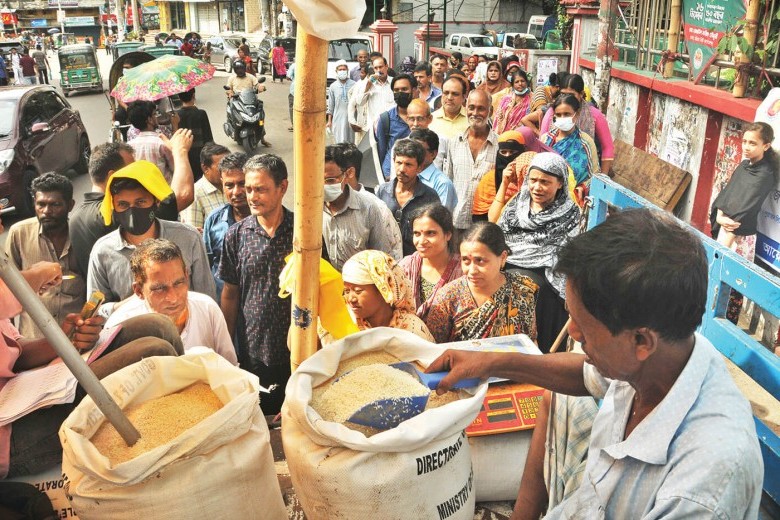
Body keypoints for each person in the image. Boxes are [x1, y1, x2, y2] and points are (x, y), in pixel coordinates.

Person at [430, 208, 763, 519]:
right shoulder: (665, 354)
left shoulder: (701, 487)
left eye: (582, 325)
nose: (573, 332)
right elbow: (584, 373)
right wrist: (490, 362)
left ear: (641, 341)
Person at [2, 267, 184, 479]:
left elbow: (15, 353)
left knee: (158, 326)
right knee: (153, 352)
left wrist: (63, 339)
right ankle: (173, 465)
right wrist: (33, 276)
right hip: (9, 430)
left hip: (20, 392)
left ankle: (185, 436)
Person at [218, 154, 292, 415]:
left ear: (282, 187)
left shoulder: (303, 232)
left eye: (260, 189)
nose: (251, 196)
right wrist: (225, 344)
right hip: (253, 350)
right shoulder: (236, 236)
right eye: (249, 189)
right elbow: (230, 293)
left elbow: (322, 287)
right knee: (261, 416)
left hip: (296, 348)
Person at [87, 161, 216, 307]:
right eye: (123, 205)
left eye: (140, 202)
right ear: (113, 207)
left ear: (156, 202)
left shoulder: (189, 238)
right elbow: (95, 309)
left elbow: (206, 298)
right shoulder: (102, 251)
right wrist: (127, 306)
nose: (132, 212)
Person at [69, 133, 196, 279]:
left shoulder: (75, 219)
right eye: (132, 170)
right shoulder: (120, 212)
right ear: (113, 177)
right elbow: (183, 195)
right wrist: (180, 151)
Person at [495, 153, 581, 352]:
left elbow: (569, 257)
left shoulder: (571, 215)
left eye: (545, 182)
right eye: (533, 180)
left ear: (560, 183)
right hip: (506, 272)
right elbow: (498, 239)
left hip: (547, 284)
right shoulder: (515, 206)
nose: (537, 187)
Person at [105, 239, 237, 365]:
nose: (173, 298)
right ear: (139, 291)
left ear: (186, 276)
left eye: (179, 283)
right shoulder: (120, 327)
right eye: (159, 289)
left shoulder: (208, 309)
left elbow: (231, 371)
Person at [425, 221, 537, 343]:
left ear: (503, 257)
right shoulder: (448, 297)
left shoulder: (522, 289)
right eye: (466, 260)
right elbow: (433, 348)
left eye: (480, 261)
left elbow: (530, 340)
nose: (472, 270)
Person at [6, 173, 85, 339]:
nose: (46, 211)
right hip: (34, 338)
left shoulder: (82, 234)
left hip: (77, 336)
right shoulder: (19, 233)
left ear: (70, 205)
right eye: (41, 204)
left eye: (55, 205)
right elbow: (8, 287)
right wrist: (11, 339)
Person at [322, 144, 402, 271]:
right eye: (318, 180)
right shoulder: (310, 210)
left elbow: (381, 260)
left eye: (330, 180)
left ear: (348, 174)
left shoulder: (370, 209)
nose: (324, 185)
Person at [711, 122, 779, 249]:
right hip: (724, 225)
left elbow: (747, 208)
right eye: (744, 142)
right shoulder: (743, 166)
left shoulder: (765, 175)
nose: (746, 147)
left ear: (766, 146)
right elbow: (726, 193)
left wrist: (727, 242)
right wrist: (719, 217)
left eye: (752, 143)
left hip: (738, 235)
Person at [342, 250, 434, 341]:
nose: (351, 299)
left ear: (384, 290)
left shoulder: (412, 331)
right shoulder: (345, 327)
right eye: (346, 291)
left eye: (358, 291)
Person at [376, 139, 441, 256]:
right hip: (385, 259)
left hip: (416, 260)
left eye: (408, 164)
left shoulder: (429, 196)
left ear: (419, 167)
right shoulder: (382, 191)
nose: (402, 169)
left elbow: (435, 232)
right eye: (399, 163)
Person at [445, 89, 498, 232]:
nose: (475, 113)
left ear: (490, 111)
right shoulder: (454, 143)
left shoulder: (500, 145)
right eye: (471, 107)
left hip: (486, 225)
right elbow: (449, 181)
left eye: (481, 109)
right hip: (456, 223)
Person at [540, 73, 615, 174]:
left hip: (584, 172)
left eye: (571, 95)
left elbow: (608, 147)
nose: (567, 98)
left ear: (581, 94)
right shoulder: (551, 112)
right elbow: (542, 144)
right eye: (563, 94)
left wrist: (602, 179)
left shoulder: (594, 115)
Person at [399, 204, 462, 320]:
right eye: (417, 234)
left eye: (430, 233)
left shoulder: (463, 270)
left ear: (448, 235)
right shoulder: (405, 267)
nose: (421, 241)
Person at [203, 152, 250, 300]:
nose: (236, 192)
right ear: (222, 183)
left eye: (242, 184)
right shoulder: (213, 220)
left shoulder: (269, 219)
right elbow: (207, 264)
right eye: (229, 185)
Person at [542, 94, 600, 205]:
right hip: (545, 197)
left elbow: (595, 175)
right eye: (558, 115)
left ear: (577, 114)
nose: (562, 118)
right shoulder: (546, 139)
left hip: (573, 201)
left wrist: (582, 188)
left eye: (567, 114)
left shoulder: (586, 142)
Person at [472, 130, 527, 221]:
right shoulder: (489, 179)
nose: (507, 156)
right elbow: (479, 215)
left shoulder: (528, 177)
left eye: (512, 152)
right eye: (503, 152)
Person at [375, 73, 417, 180]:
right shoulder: (386, 119)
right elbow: (381, 151)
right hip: (392, 174)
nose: (400, 93)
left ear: (414, 90)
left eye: (404, 89)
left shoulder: (425, 116)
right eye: (396, 90)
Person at [181, 142, 229, 231]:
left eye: (229, 165)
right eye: (221, 167)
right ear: (206, 169)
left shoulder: (234, 187)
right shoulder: (195, 194)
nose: (227, 170)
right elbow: (194, 234)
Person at [408, 128, 457, 212]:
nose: (414, 153)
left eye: (420, 149)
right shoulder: (406, 176)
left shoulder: (443, 184)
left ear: (433, 154)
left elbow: (441, 220)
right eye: (412, 149)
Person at [127, 100, 175, 182]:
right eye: (154, 114)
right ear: (149, 119)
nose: (156, 117)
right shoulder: (161, 144)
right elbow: (175, 168)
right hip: (164, 189)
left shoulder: (129, 146)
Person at [225, 60, 270, 146]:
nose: (240, 71)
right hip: (237, 100)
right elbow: (228, 88)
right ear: (235, 70)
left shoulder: (250, 77)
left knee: (260, 117)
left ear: (244, 68)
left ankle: (262, 138)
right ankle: (234, 129)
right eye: (237, 69)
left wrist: (261, 87)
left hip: (250, 99)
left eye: (241, 69)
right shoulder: (232, 78)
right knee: (232, 112)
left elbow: (257, 85)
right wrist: (230, 93)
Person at [175, 88, 213, 182]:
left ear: (179, 98)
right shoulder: (201, 113)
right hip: (201, 155)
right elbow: (208, 137)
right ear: (193, 95)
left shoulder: (176, 116)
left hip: (185, 155)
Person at [351, 55, 394, 134]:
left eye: (381, 67)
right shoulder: (370, 84)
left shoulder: (394, 82)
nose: (379, 70)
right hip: (375, 128)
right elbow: (360, 102)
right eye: (376, 68)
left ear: (386, 66)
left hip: (392, 126)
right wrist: (368, 84)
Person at [494, 68, 533, 134]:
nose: (520, 84)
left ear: (526, 82)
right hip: (503, 136)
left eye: (522, 81)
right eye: (516, 82)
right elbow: (498, 119)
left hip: (522, 136)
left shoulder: (532, 99)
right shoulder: (506, 99)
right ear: (512, 85)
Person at [326, 59, 356, 145]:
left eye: (344, 69)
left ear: (347, 70)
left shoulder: (354, 84)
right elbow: (331, 105)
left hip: (351, 118)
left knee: (351, 142)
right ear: (336, 71)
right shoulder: (333, 86)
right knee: (339, 142)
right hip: (338, 119)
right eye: (340, 70)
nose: (342, 71)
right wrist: (329, 121)